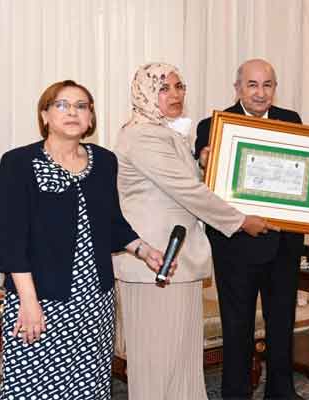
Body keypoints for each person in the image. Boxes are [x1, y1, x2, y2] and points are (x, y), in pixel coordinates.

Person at [0, 80, 169, 399]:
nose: (72, 112)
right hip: (40, 298)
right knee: (34, 388)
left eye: (82, 106)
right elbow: (11, 239)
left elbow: (112, 222)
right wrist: (28, 302)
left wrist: (143, 250)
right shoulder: (18, 163)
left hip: (94, 300)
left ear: (91, 119)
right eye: (62, 105)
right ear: (45, 115)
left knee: (88, 386)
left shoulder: (104, 162)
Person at [113, 62, 275, 400]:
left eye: (179, 86)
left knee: (183, 358)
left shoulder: (162, 131)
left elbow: (187, 184)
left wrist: (204, 162)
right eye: (163, 88)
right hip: (155, 261)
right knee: (159, 360)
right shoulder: (142, 135)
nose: (175, 94)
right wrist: (241, 220)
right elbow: (187, 191)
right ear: (144, 93)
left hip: (178, 260)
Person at [195, 59, 309, 400]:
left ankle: (281, 392)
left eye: (267, 85)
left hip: (283, 243)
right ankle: (236, 394)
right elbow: (204, 169)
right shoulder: (215, 125)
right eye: (252, 85)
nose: (260, 92)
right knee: (237, 326)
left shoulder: (291, 120)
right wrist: (206, 159)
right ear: (237, 88)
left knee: (282, 322)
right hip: (236, 245)